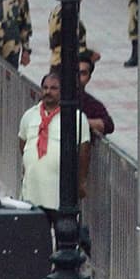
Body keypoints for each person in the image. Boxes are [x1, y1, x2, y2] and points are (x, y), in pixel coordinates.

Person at [17, 71, 91, 209]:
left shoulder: (76, 118)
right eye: (45, 88)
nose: (48, 92)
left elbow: (84, 152)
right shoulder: (29, 115)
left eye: (53, 88)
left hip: (59, 194)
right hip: (31, 193)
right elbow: (22, 143)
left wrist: (81, 182)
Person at [76, 54, 115, 139]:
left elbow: (108, 125)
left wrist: (81, 122)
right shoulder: (53, 95)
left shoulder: (92, 104)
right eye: (74, 72)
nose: (77, 77)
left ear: (89, 78)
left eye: (83, 73)